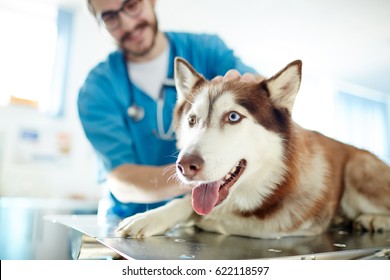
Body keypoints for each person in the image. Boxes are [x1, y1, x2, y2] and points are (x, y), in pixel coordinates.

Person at [78, 0, 263, 220]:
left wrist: (259, 90)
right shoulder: (99, 87)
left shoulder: (207, 51)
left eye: (132, 5)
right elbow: (121, 181)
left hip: (206, 219)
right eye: (109, 17)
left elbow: (264, 97)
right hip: (129, 219)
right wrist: (199, 171)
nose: (126, 24)